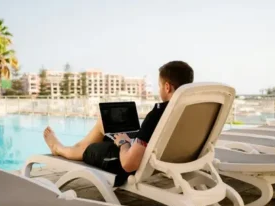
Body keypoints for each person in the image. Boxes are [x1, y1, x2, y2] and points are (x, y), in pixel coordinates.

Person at [44, 61, 194, 186]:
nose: (160, 89)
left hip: (128, 163)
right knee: (104, 123)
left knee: (91, 149)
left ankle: (61, 149)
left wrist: (123, 143)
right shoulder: (191, 112)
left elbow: (129, 164)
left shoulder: (158, 114)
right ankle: (75, 147)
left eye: (160, 86)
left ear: (167, 87)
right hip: (159, 156)